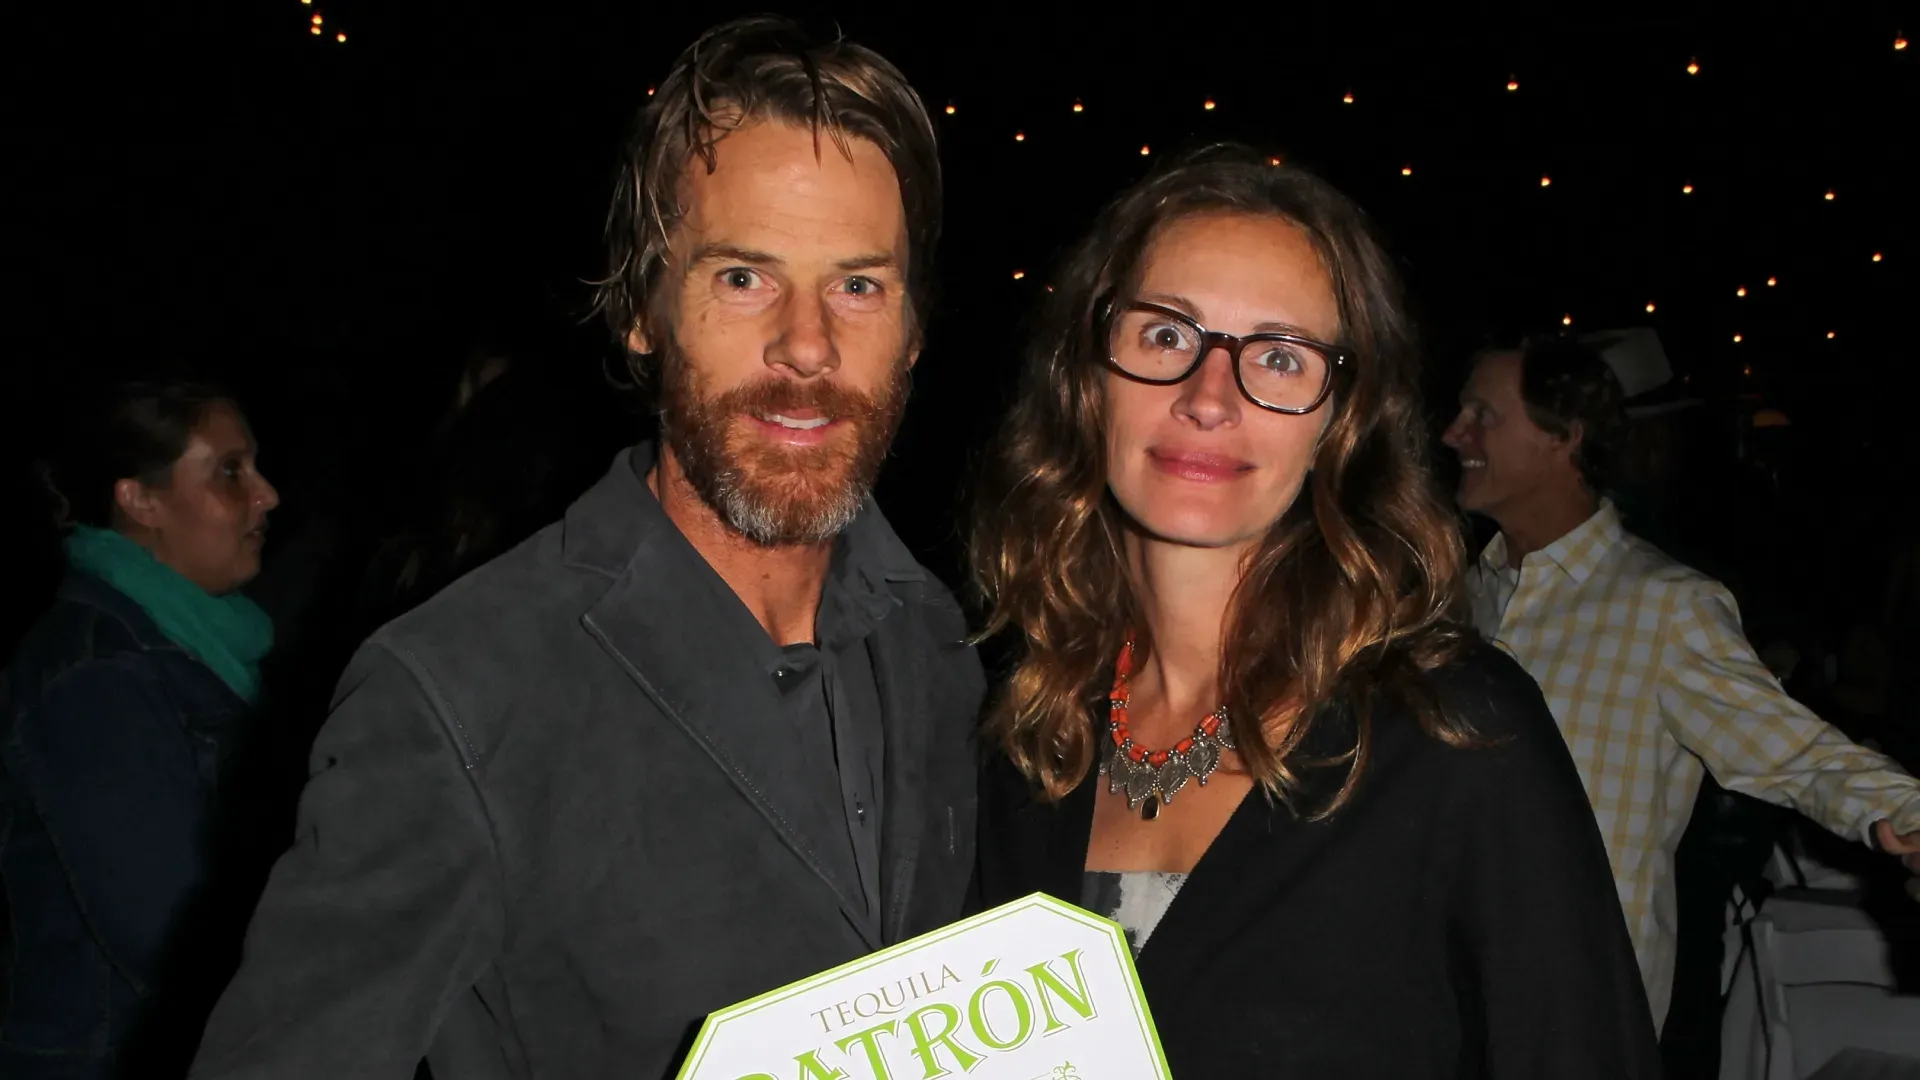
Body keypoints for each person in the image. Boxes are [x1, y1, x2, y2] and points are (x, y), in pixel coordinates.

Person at [188, 17, 982, 1079]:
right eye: (743, 277)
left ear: (914, 328)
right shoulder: (458, 694)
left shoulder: (935, 637)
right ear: (644, 309)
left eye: (858, 284)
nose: (807, 343)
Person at [970, 145, 1659, 1076]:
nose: (1209, 397)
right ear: (1086, 374)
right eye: (1166, 335)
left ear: (1342, 421)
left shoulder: (1460, 737)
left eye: (1281, 358)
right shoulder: (1019, 732)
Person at [1439, 335, 1920, 1033]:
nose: (1454, 433)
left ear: (1562, 437)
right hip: (1445, 989)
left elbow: (1796, 754)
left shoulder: (1662, 606)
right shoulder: (1457, 595)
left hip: (1574, 1006)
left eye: (1483, 413)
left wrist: (1911, 816)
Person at [1, 382, 281, 1079]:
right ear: (140, 500)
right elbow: (172, 942)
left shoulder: (192, 647)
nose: (267, 494)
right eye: (229, 471)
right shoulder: (98, 681)